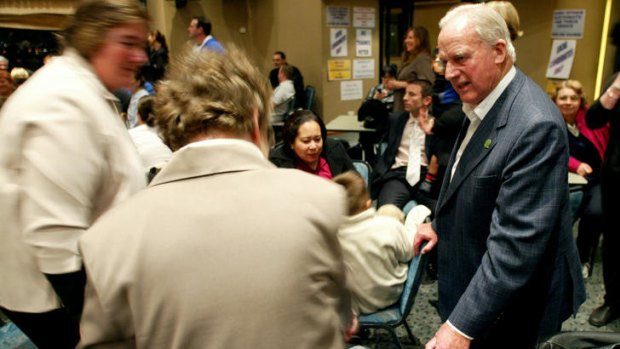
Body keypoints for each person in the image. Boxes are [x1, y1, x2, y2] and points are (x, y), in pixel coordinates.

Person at [78, 46, 354, 348]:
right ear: (255, 117)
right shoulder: (320, 200)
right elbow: (340, 316)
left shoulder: (106, 240)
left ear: (170, 132)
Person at [414, 4, 585, 349]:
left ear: (499, 52)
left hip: (513, 307)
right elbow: (468, 176)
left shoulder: (534, 125)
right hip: (474, 277)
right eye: (444, 60)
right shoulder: (483, 96)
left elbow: (515, 248)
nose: (449, 72)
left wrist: (460, 327)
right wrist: (439, 223)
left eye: (460, 58)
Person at [0, 1, 148, 348]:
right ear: (92, 39)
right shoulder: (62, 101)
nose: (140, 56)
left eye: (141, 45)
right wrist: (103, 329)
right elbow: (56, 240)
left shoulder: (82, 90)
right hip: (57, 297)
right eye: (127, 43)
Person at [333, 171, 430, 315]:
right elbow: (409, 253)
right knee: (395, 214)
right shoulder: (388, 225)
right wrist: (416, 217)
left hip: (351, 306)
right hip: (389, 296)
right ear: (368, 204)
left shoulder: (329, 238)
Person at [552, 80, 608, 280]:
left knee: (595, 212)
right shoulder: (549, 120)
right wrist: (576, 165)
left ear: (580, 101)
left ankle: (581, 257)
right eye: (563, 98)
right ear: (555, 100)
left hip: (596, 179)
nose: (568, 102)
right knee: (562, 213)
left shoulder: (592, 120)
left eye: (573, 98)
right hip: (565, 179)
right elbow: (555, 150)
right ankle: (556, 259)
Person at [585, 71, 620, 327]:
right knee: (615, 241)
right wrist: (616, 90)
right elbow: (593, 119)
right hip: (618, 174)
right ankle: (614, 301)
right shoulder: (617, 80)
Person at [371, 79, 436, 211]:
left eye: (412, 95)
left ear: (427, 100)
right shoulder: (396, 119)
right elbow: (376, 133)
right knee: (385, 214)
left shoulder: (438, 124)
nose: (405, 98)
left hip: (428, 177)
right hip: (398, 175)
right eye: (405, 94)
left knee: (444, 216)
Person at [269, 110, 355, 179]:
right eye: (306, 141)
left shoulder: (334, 149)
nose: (313, 146)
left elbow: (355, 182)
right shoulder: (277, 163)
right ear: (291, 143)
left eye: (317, 139)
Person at [387, 26, 435, 113]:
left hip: (414, 112)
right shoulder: (411, 59)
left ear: (420, 40)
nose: (406, 41)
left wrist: (400, 84)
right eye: (406, 38)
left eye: (410, 38)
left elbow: (428, 85)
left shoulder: (423, 59)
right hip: (402, 108)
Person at [128, 95, 172, 177]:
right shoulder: (169, 131)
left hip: (148, 179)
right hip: (172, 173)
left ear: (138, 115)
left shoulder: (130, 135)